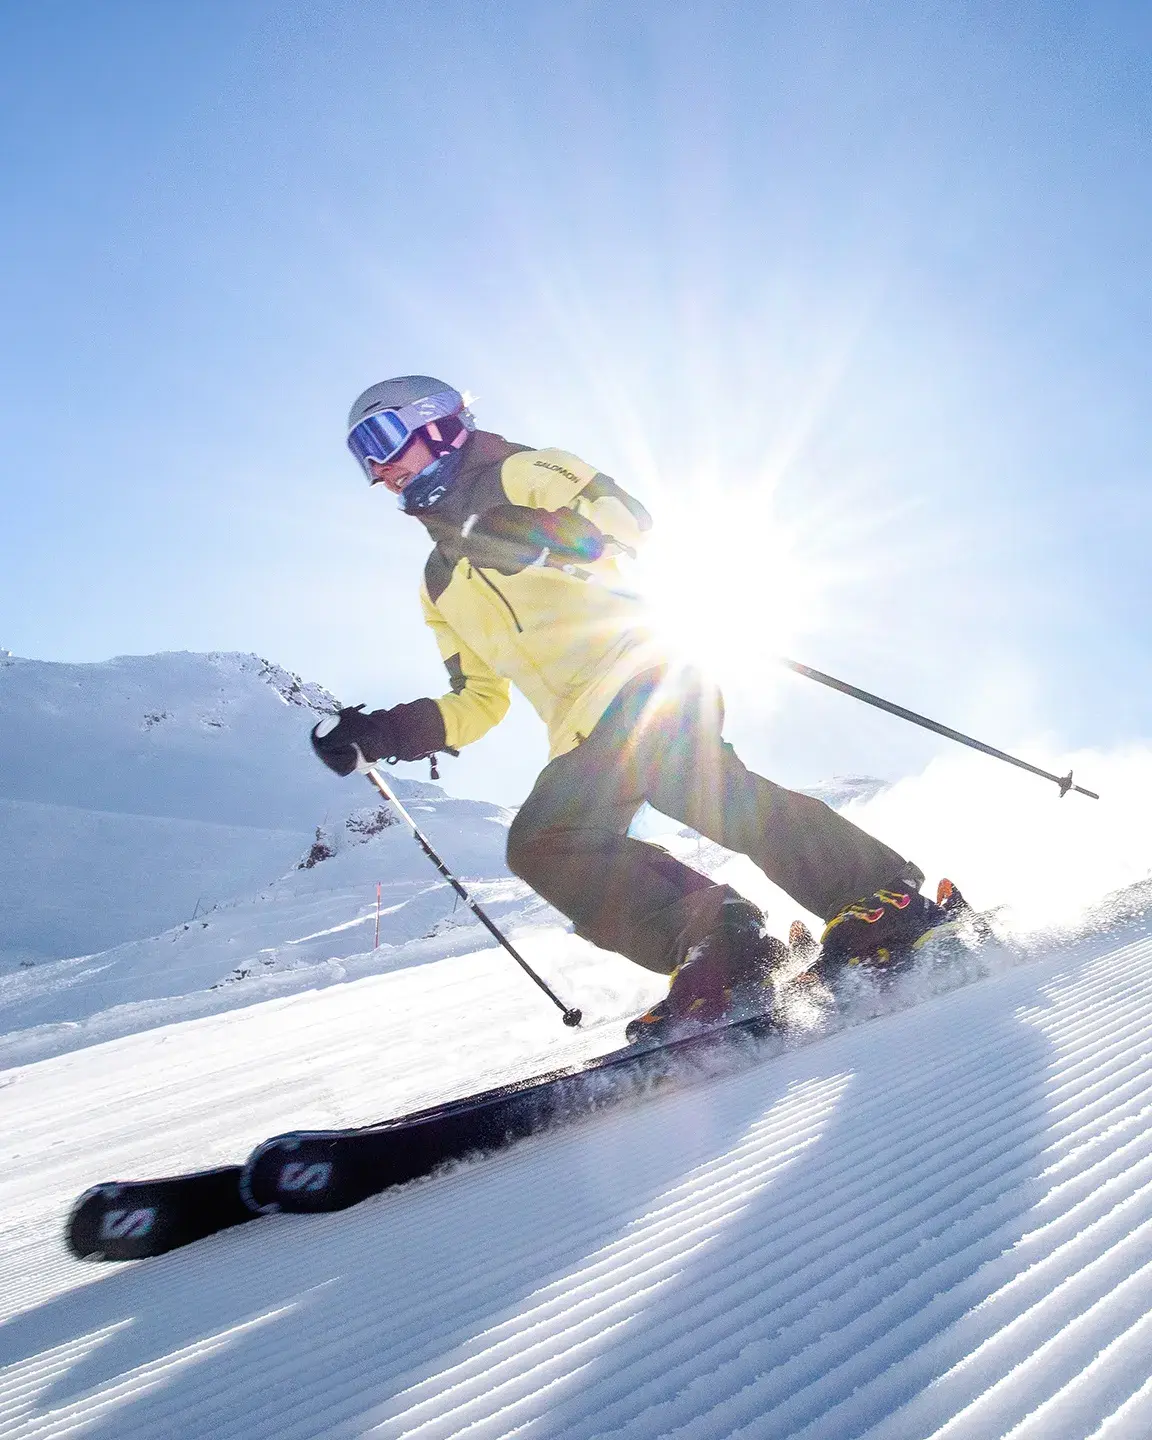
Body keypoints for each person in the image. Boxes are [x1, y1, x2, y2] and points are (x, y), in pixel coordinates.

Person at [312, 375, 949, 1040]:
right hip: (583, 731)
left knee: (691, 782)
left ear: (436, 421)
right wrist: (385, 733)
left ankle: (883, 899)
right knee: (543, 844)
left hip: (650, 672)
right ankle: (723, 945)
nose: (378, 468)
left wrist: (547, 530)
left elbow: (625, 522)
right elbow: (480, 700)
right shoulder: (438, 583)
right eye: (363, 457)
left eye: (381, 440)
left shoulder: (523, 471)